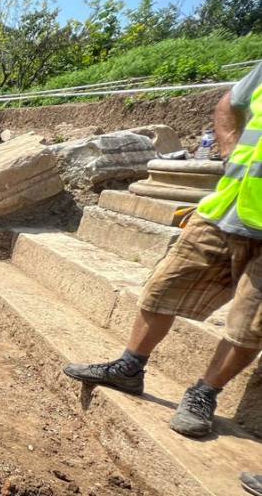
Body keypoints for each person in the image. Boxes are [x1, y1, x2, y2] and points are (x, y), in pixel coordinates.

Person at [63, 61, 262, 439]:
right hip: (226, 208)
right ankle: (130, 367)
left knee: (249, 325)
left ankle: (204, 393)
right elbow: (228, 105)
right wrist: (229, 151)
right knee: (162, 287)